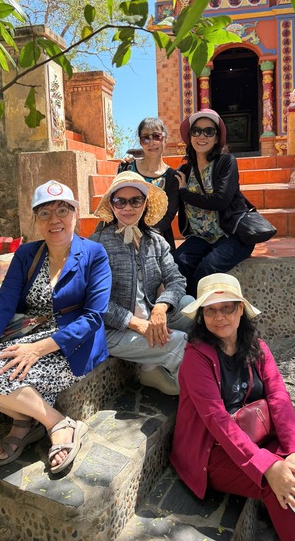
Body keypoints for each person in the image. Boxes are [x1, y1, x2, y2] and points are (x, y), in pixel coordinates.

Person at [0, 180, 111, 474]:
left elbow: (93, 317)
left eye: (63, 210)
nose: (54, 220)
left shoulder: (94, 253)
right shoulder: (27, 254)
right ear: (35, 219)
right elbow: (2, 309)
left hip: (69, 342)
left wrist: (37, 350)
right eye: (45, 213)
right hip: (27, 333)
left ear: (75, 214)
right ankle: (25, 421)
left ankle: (59, 423)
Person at [170, 273, 295, 541]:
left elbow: (279, 397)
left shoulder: (256, 347)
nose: (219, 317)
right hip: (211, 451)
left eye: (227, 308)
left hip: (255, 436)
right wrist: (268, 467)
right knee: (275, 484)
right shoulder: (196, 359)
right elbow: (218, 421)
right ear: (202, 316)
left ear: (241, 309)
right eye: (210, 310)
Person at [90, 171, 194, 395]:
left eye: (135, 201)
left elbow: (176, 279)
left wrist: (161, 306)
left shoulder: (156, 241)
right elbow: (94, 300)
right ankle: (198, 400)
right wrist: (137, 324)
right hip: (112, 329)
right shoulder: (97, 245)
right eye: (120, 201)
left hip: (149, 313)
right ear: (112, 205)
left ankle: (151, 368)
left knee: (191, 307)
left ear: (145, 203)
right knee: (179, 343)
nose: (128, 208)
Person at [174, 108, 254, 297]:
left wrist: (185, 193)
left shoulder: (226, 162)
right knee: (177, 263)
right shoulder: (184, 171)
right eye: (196, 131)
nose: (202, 136)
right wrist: (132, 166)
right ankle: (183, 309)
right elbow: (159, 186)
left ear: (217, 138)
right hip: (201, 237)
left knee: (207, 269)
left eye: (209, 131)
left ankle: (198, 311)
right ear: (190, 136)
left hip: (231, 234)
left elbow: (221, 200)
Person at [118, 117, 179, 251]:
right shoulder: (127, 168)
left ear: (165, 139)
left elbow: (168, 216)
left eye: (156, 136)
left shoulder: (172, 177)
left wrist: (144, 237)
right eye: (145, 138)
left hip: (157, 240)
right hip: (124, 236)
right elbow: (117, 204)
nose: (151, 142)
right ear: (140, 141)